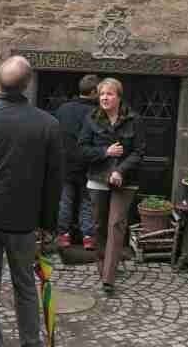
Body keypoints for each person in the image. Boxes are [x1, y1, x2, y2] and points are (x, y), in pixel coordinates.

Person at [0, 55, 63, 347]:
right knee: (26, 286)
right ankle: (31, 343)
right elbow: (53, 181)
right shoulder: (48, 125)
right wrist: (48, 224)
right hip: (23, 220)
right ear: (27, 84)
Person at [78, 77, 145, 295]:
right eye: (102, 94)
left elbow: (139, 152)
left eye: (110, 94)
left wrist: (119, 170)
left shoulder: (134, 119)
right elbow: (82, 150)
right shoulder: (91, 118)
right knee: (99, 225)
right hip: (98, 179)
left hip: (126, 181)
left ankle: (108, 278)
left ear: (119, 96)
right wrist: (104, 152)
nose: (105, 98)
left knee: (116, 224)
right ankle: (102, 265)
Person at [54, 74, 100, 250]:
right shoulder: (97, 112)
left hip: (65, 162)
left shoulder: (63, 109)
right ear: (94, 91)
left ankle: (63, 236)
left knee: (65, 201)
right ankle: (88, 237)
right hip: (89, 163)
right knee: (87, 201)